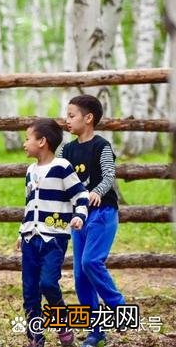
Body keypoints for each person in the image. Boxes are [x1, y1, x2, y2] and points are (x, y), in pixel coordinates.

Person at [60, 95, 126, 347]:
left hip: (102, 214)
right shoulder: (67, 149)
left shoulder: (102, 146)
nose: (67, 121)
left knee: (91, 262)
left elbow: (109, 174)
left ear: (88, 119)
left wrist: (97, 191)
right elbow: (60, 174)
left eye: (71, 116)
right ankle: (95, 331)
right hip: (79, 218)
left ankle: (118, 306)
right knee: (80, 275)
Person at [17, 118, 89, 347]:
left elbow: (81, 195)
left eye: (28, 138)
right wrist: (22, 232)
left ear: (42, 141)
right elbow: (30, 205)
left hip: (54, 238)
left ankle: (62, 323)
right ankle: (35, 338)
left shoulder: (62, 167)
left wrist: (79, 216)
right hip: (31, 238)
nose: (24, 143)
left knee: (48, 283)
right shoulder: (30, 170)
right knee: (30, 291)